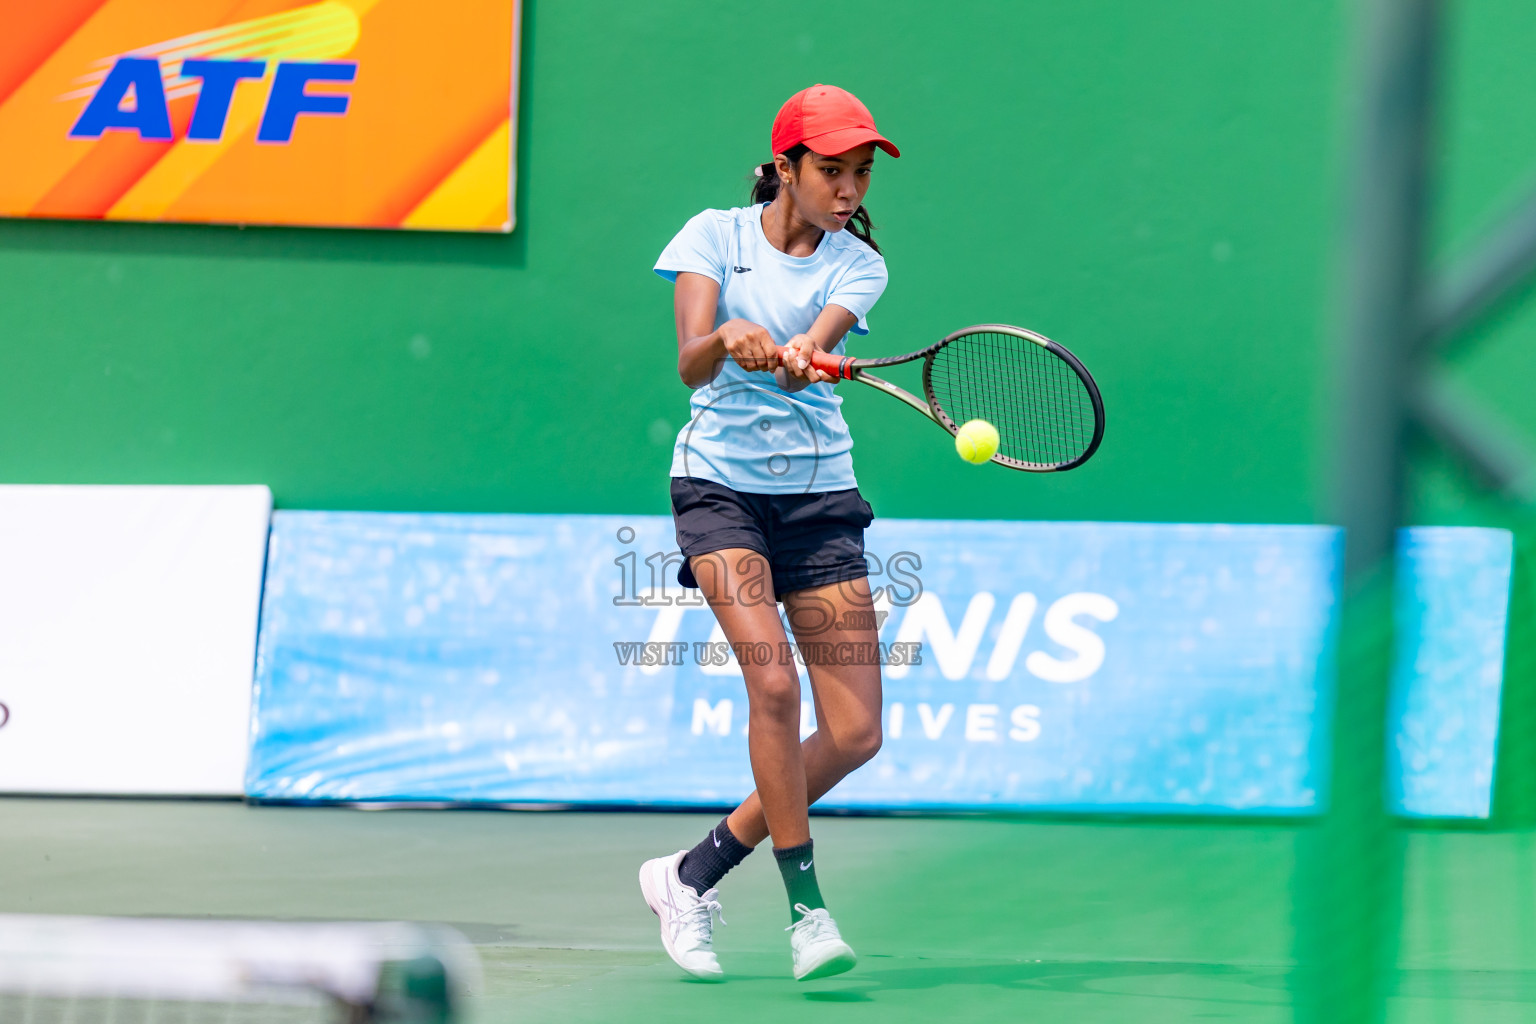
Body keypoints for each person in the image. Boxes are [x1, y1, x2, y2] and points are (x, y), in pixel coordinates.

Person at [638, 84, 899, 983]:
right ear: (786, 168)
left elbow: (805, 364)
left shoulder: (858, 267)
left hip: (819, 501)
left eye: (861, 173)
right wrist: (729, 337)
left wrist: (796, 354)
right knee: (775, 685)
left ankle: (691, 872)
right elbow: (690, 361)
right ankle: (807, 913)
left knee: (856, 733)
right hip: (720, 493)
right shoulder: (713, 235)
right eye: (831, 170)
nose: (849, 188)